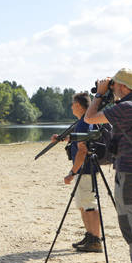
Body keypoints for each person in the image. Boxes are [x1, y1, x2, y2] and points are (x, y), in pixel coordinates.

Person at [85, 68, 132, 263]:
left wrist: (98, 95)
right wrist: (109, 92)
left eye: (114, 85)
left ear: (123, 87)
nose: (112, 88)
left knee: (128, 221)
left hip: (129, 170)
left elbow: (90, 118)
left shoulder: (126, 107)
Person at [52, 92, 101, 253]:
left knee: (88, 205)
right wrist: (63, 138)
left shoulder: (83, 123)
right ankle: (90, 236)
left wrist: (72, 173)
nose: (71, 106)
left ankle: (95, 240)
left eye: (73, 103)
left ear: (79, 105)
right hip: (85, 171)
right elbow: (81, 139)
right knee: (83, 205)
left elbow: (82, 150)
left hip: (85, 171)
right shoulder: (85, 121)